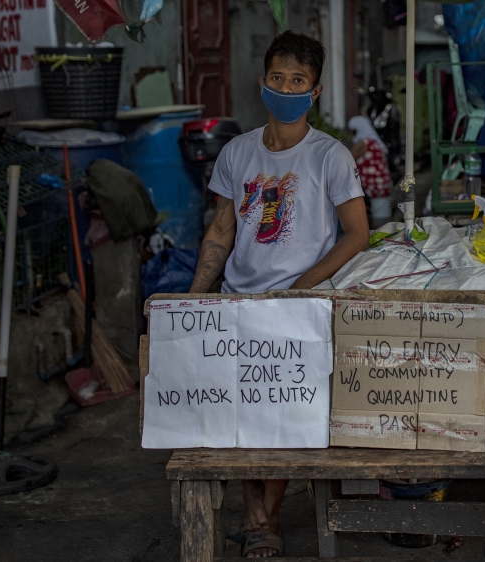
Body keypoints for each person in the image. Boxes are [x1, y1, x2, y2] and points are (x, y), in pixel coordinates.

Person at [188, 31, 369, 558]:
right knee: (238, 413)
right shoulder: (237, 153)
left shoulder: (330, 158)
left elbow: (357, 233)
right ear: (262, 82)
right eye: (277, 78)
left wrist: (297, 290)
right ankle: (256, 517)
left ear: (314, 92)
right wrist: (197, 296)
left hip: (298, 307)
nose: (285, 88)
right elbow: (221, 230)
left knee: (282, 415)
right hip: (237, 300)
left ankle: (262, 521)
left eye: (298, 81)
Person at [347, 115, 393, 226]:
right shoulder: (374, 142)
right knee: (382, 219)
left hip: (373, 187)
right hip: (382, 185)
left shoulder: (362, 144)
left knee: (379, 224)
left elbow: (346, 161)